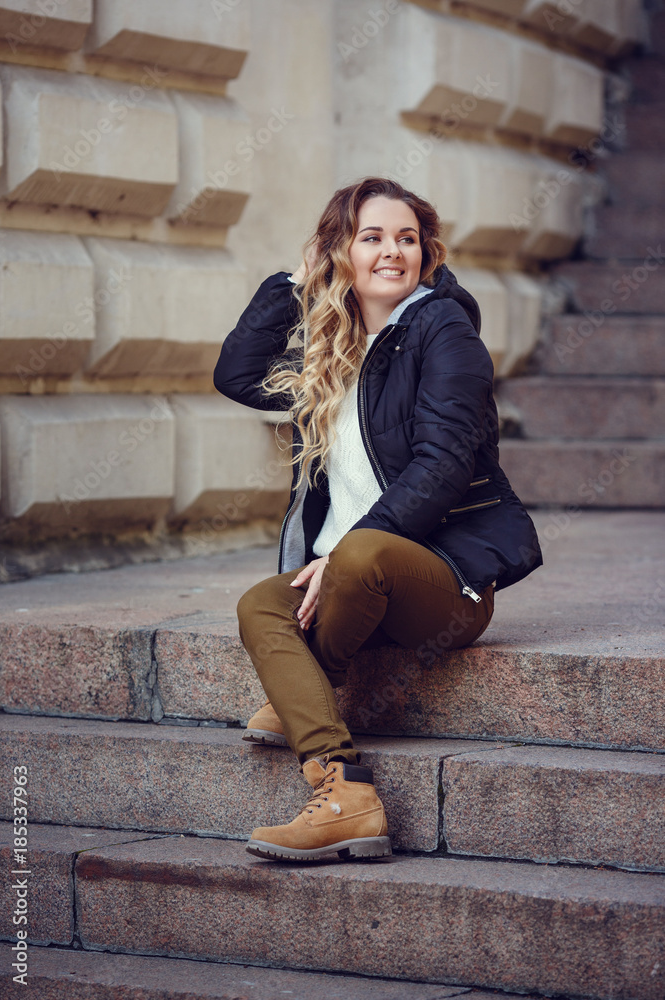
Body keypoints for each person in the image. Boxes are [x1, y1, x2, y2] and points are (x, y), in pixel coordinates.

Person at [213, 177, 542, 863]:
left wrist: (346, 550)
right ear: (342, 251)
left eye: (407, 238)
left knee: (360, 555)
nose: (393, 251)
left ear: (426, 251)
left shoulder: (444, 332)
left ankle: (307, 681)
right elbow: (236, 374)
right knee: (258, 605)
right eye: (371, 237)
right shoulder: (336, 344)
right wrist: (297, 279)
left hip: (442, 581)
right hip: (344, 576)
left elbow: (444, 464)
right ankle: (342, 793)